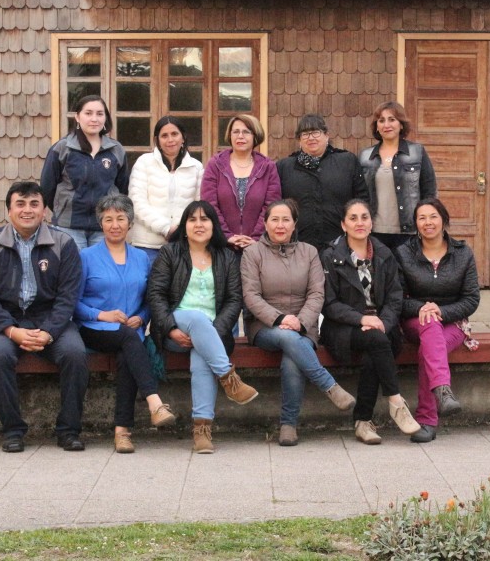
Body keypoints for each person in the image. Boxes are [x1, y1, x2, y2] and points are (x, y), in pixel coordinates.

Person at [0, 181, 89, 453]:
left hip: (49, 319)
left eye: (34, 204)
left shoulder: (63, 244)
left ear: (44, 210)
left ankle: (69, 430)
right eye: (20, 204)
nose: (28, 210)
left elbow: (68, 297)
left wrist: (48, 331)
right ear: (8, 211)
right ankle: (12, 431)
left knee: (75, 353)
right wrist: (11, 331)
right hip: (4, 322)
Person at [147, 200, 259, 454]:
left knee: (201, 352)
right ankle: (229, 379)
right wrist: (171, 329)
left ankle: (202, 429)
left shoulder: (227, 257)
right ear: (184, 226)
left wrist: (213, 332)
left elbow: (234, 300)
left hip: (214, 333)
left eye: (204, 219)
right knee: (197, 319)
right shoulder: (170, 253)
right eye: (192, 219)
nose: (199, 224)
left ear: (213, 225)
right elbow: (156, 295)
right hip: (176, 327)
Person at [241, 199, 356, 446]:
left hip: (304, 325)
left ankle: (288, 425)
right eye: (275, 219)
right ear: (265, 223)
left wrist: (301, 321)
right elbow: (251, 295)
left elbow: (317, 293)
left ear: (294, 224)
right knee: (287, 337)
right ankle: (329, 385)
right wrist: (280, 319)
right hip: (265, 326)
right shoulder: (252, 253)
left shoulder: (309, 252)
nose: (280, 225)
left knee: (292, 358)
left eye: (286, 220)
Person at [74, 194, 176, 454]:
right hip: (93, 329)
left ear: (130, 223)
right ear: (101, 224)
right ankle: (155, 402)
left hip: (130, 331)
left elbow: (148, 300)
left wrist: (142, 317)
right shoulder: (86, 257)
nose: (115, 224)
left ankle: (122, 433)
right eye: (108, 219)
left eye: (120, 218)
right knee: (131, 340)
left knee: (128, 354)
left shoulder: (142, 258)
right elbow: (72, 303)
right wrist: (101, 315)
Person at [320, 199, 422, 445]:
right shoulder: (330, 256)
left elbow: (395, 297)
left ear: (371, 222)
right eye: (353, 218)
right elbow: (329, 304)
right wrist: (363, 318)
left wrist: (383, 322)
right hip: (342, 328)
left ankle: (363, 422)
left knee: (375, 348)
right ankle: (396, 402)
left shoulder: (385, 254)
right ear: (343, 225)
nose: (359, 223)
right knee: (377, 341)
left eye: (364, 217)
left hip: (382, 327)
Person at [394, 198, 480, 444]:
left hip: (453, 322)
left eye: (433, 216)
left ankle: (427, 420)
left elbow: (472, 299)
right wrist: (423, 307)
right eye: (421, 218)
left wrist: (441, 310)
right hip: (414, 320)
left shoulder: (463, 254)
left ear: (443, 220)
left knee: (429, 347)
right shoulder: (404, 253)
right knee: (429, 326)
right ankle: (442, 392)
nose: (427, 222)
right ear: (415, 224)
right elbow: (397, 298)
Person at [40, 95, 128, 250]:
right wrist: (64, 208)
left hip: (104, 226)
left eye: (100, 114)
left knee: (100, 273)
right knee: (73, 272)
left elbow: (122, 188)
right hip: (69, 227)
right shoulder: (62, 148)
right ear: (77, 117)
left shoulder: (116, 150)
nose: (94, 119)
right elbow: (47, 188)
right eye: (88, 113)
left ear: (105, 118)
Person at [277, 113, 369, 251]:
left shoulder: (347, 161)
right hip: (297, 245)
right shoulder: (284, 167)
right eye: (305, 134)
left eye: (315, 132)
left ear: (326, 135)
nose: (311, 138)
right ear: (299, 140)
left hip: (340, 244)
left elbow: (362, 200)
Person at [358, 101, 437, 250]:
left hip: (408, 232)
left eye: (392, 119)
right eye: (381, 120)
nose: (386, 124)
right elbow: (359, 194)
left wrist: (425, 223)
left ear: (401, 124)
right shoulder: (365, 156)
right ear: (377, 127)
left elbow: (429, 191)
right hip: (374, 231)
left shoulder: (417, 152)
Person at [129, 116, 203, 265]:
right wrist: (166, 228)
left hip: (183, 244)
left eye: (174, 134)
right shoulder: (144, 162)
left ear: (183, 137)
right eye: (164, 135)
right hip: (146, 245)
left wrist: (182, 231)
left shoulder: (196, 167)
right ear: (157, 140)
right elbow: (136, 202)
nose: (170, 140)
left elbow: (200, 206)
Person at [201, 114, 281, 253]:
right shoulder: (215, 164)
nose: (240, 136)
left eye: (246, 132)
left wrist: (256, 238)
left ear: (255, 136)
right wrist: (227, 236)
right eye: (236, 132)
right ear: (229, 135)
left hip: (259, 248)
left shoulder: (268, 166)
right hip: (221, 247)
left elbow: (271, 206)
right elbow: (209, 204)